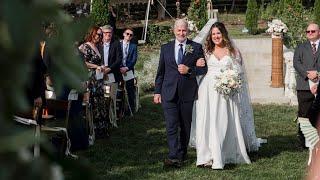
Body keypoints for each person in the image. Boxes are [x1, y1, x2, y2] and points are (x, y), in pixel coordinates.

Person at [192, 22, 253, 169]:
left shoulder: (233, 51)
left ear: (223, 34)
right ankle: (207, 155)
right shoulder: (206, 51)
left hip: (225, 91)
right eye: (213, 34)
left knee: (222, 120)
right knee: (207, 121)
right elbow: (198, 68)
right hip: (207, 91)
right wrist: (197, 64)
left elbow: (239, 72)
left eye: (218, 33)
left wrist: (231, 81)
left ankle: (224, 153)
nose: (216, 36)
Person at [154, 19, 207, 168]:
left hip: (187, 93)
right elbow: (161, 72)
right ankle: (173, 156)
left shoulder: (195, 47)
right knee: (171, 126)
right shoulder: (165, 48)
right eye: (179, 30)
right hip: (168, 93)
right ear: (174, 31)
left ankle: (182, 154)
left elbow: (204, 69)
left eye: (184, 30)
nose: (181, 33)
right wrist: (157, 91)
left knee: (185, 126)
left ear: (188, 31)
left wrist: (189, 70)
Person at [79, 26, 110, 138]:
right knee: (93, 102)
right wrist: (96, 66)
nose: (99, 36)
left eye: (101, 35)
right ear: (91, 33)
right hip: (90, 78)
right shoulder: (84, 46)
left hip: (99, 78)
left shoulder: (98, 46)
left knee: (100, 102)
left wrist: (102, 69)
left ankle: (101, 129)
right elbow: (83, 62)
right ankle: (92, 129)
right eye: (98, 34)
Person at [293, 23, 320, 148]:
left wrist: (318, 74)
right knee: (304, 113)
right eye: (307, 31)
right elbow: (296, 63)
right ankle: (302, 141)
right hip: (304, 85)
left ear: (319, 32)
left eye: (313, 31)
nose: (310, 33)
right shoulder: (300, 47)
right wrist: (307, 74)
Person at [120, 28, 138, 114]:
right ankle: (119, 108)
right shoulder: (117, 44)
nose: (129, 36)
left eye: (131, 35)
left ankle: (131, 109)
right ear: (123, 34)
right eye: (127, 34)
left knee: (130, 89)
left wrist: (126, 68)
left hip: (129, 69)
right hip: (118, 69)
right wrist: (119, 68)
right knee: (117, 89)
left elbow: (134, 60)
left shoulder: (133, 46)